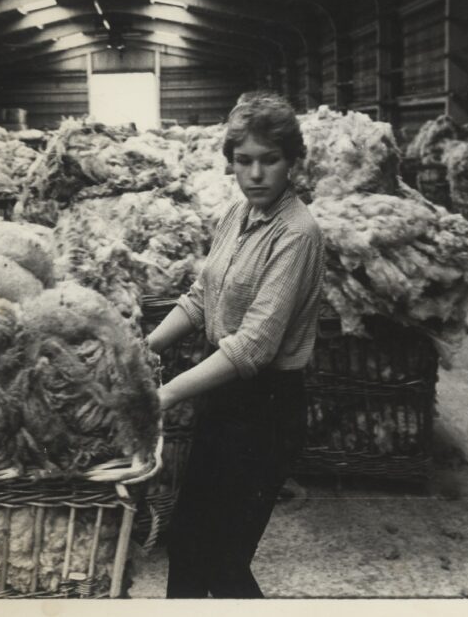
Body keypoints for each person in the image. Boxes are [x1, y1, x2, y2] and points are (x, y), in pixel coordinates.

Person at [146, 91, 325, 598]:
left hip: (267, 410)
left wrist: (166, 394)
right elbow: (202, 297)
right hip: (223, 402)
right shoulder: (235, 216)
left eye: (269, 160)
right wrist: (148, 346)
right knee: (186, 545)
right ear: (230, 163)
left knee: (224, 560)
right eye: (243, 161)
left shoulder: (297, 234)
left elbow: (254, 347)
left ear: (292, 161)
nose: (256, 174)